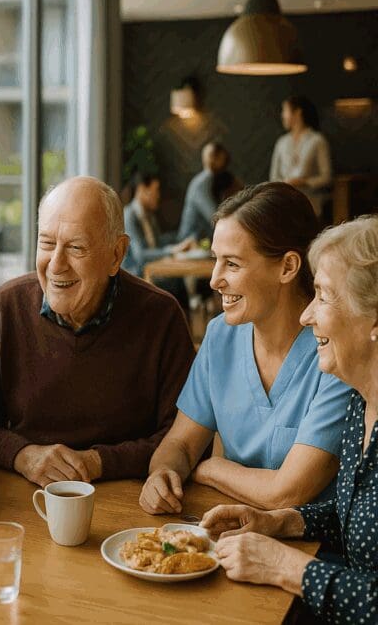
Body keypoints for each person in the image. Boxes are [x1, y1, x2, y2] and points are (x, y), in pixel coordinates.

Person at [199, 214, 378, 624]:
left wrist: (286, 567)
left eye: (324, 296)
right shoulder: (361, 406)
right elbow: (356, 519)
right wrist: (278, 522)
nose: (306, 315)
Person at [139, 183, 351, 516]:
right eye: (215, 261)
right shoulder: (220, 335)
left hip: (311, 549)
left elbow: (287, 493)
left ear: (288, 267)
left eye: (233, 264)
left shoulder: (334, 349)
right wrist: (164, 473)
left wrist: (211, 469)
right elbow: (180, 443)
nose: (214, 280)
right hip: (226, 530)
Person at [0, 176, 196, 487]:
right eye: (46, 243)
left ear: (116, 255)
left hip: (129, 500)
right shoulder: (6, 307)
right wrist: (24, 455)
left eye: (75, 247)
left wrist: (98, 462)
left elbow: (181, 439)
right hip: (25, 493)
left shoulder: (162, 317)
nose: (56, 264)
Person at [121, 171, 194, 279]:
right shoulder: (129, 216)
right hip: (136, 275)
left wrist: (181, 241)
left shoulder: (149, 215)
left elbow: (157, 243)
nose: (158, 196)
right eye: (156, 190)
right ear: (142, 189)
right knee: (179, 281)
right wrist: (172, 251)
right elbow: (140, 255)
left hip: (153, 271)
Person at [270, 95, 333, 215]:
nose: (282, 115)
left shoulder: (317, 140)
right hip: (284, 204)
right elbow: (274, 177)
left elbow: (326, 177)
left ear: (298, 112)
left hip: (311, 204)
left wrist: (304, 182)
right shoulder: (281, 142)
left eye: (285, 111)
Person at [179, 141, 231, 242]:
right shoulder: (202, 183)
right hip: (188, 243)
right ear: (216, 158)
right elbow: (215, 218)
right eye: (221, 158)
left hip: (201, 241)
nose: (225, 162)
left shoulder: (213, 180)